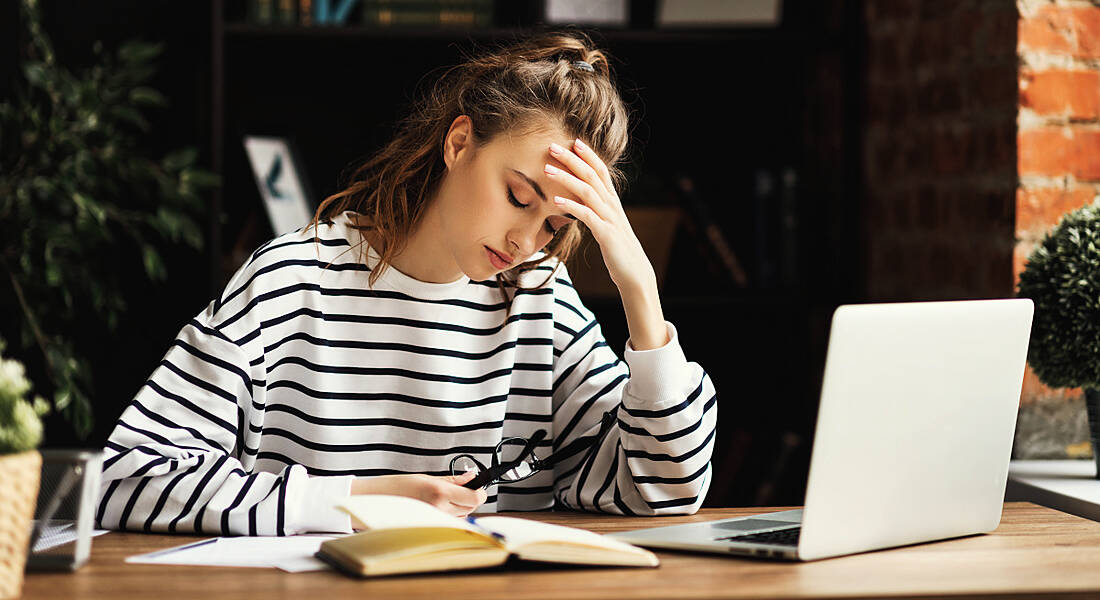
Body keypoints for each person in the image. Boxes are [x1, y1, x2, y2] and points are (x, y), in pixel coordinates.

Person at [96, 30, 717, 536]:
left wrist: (642, 298)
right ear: (459, 142)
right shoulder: (292, 282)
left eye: (555, 225)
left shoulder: (540, 301)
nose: (526, 243)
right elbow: (126, 479)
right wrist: (353, 501)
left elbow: (664, 490)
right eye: (517, 196)